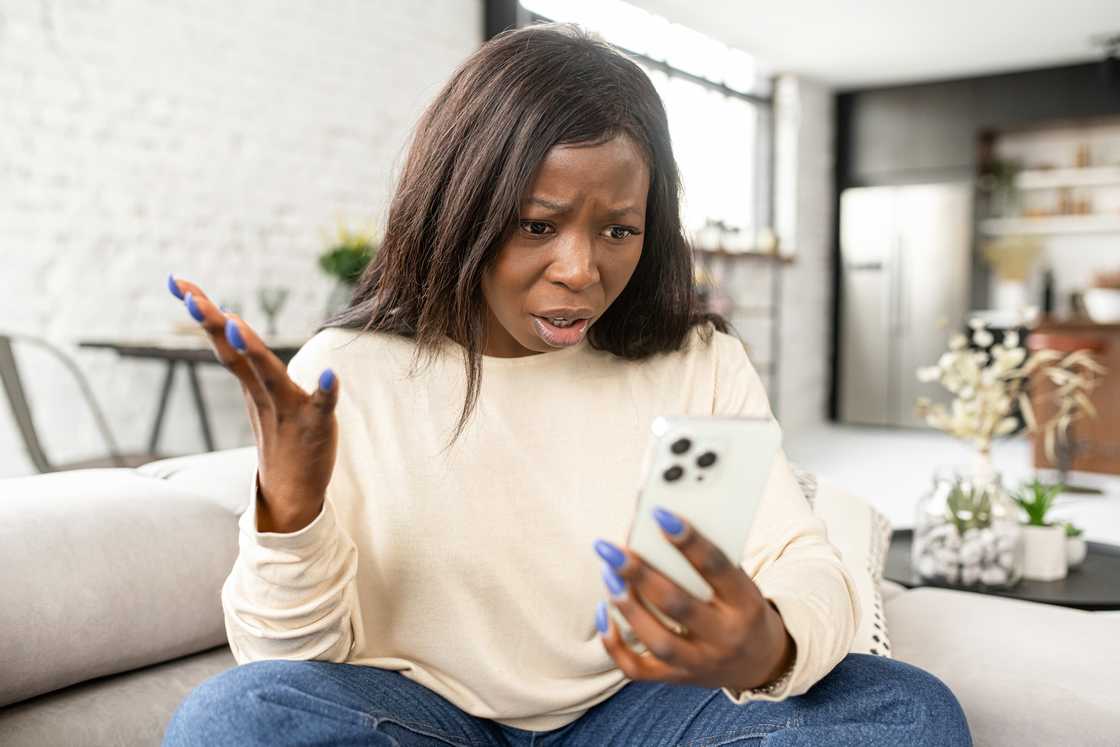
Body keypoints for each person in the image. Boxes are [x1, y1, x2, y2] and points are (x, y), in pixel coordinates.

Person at [162, 23, 971, 747]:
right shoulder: (353, 372)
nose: (583, 270)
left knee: (909, 712)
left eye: (619, 229)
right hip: (425, 716)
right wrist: (290, 513)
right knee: (231, 718)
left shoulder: (694, 360)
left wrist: (770, 644)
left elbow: (799, 556)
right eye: (537, 225)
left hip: (641, 708)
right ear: (461, 208)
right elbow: (285, 665)